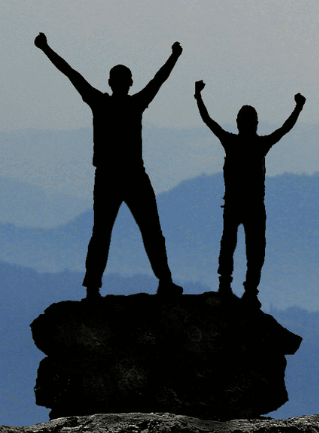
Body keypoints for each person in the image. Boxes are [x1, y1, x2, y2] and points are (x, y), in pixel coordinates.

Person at [35, 32, 185, 299]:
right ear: (128, 83)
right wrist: (174, 56)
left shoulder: (100, 102)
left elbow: (71, 73)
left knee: (103, 234)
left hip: (108, 177)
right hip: (133, 176)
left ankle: (94, 287)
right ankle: (164, 281)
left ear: (111, 82)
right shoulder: (135, 103)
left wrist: (46, 48)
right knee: (150, 232)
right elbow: (159, 79)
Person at [194, 80, 305, 304]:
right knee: (253, 249)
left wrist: (198, 96)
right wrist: (298, 107)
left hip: (236, 205)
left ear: (239, 123)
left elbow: (208, 121)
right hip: (252, 206)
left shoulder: (232, 142)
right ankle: (248, 291)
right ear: (256, 124)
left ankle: (229, 286)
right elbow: (285, 128)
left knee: (232, 245)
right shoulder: (260, 144)